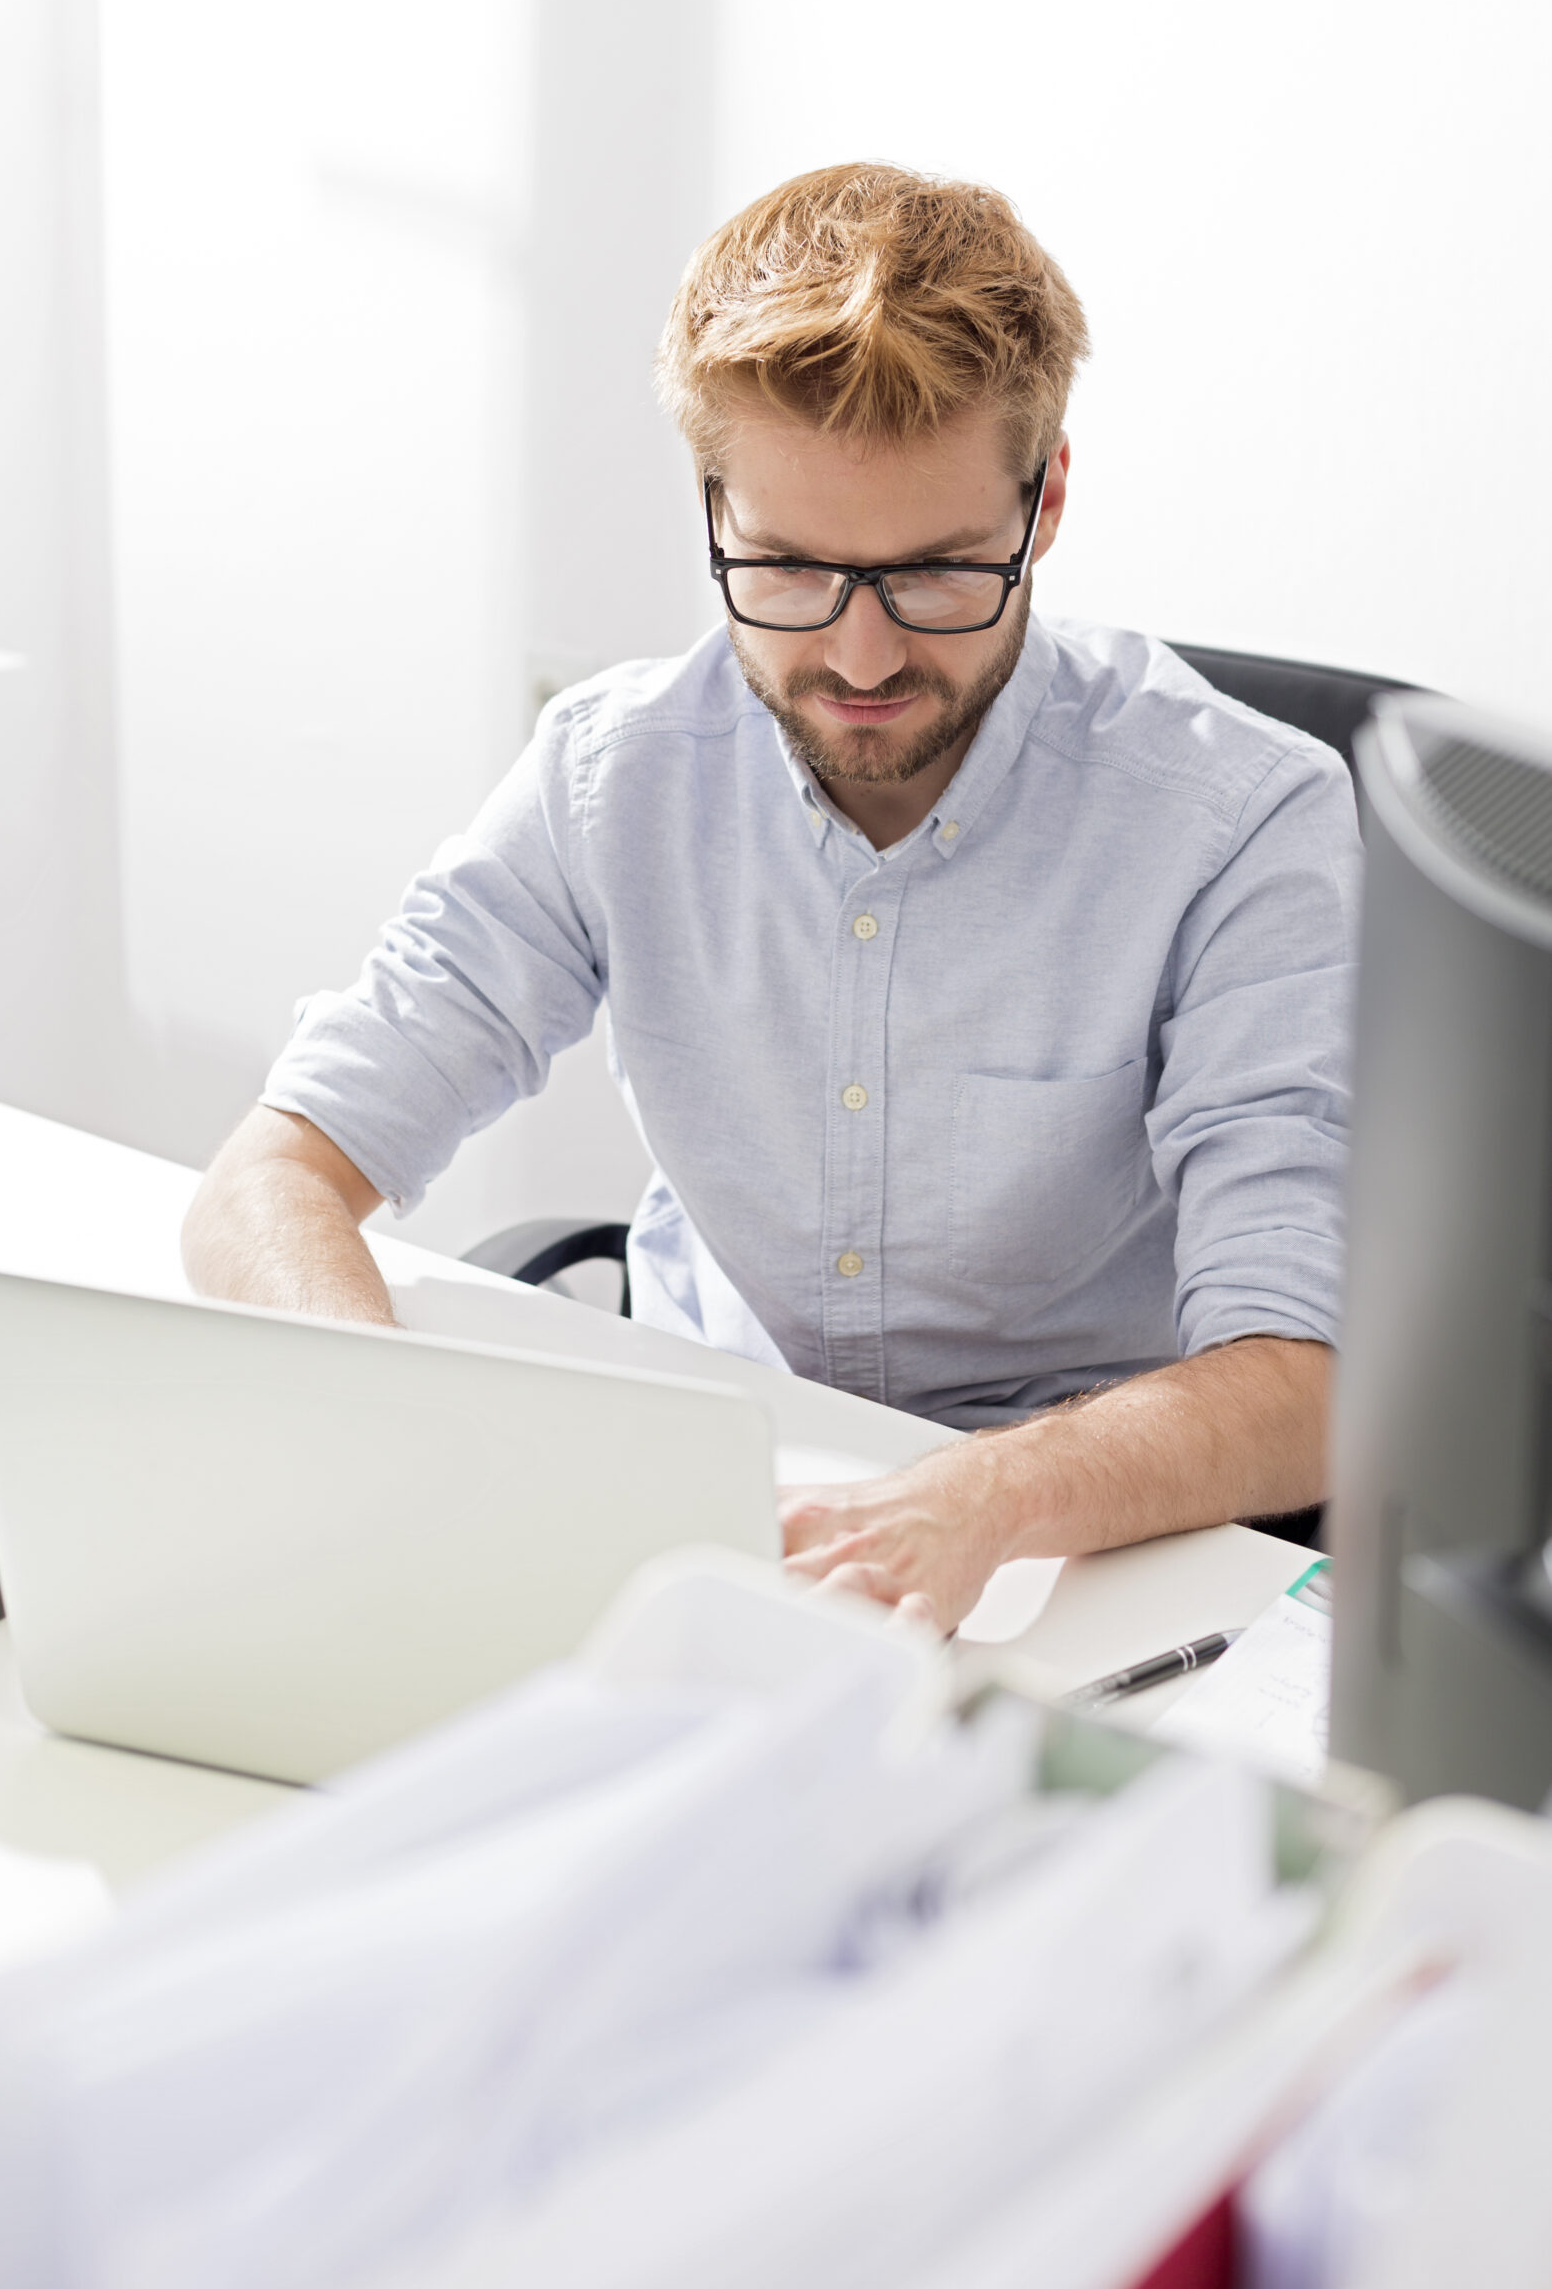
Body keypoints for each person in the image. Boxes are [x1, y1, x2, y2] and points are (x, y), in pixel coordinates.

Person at [183, 163, 1360, 1633]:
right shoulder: (618, 773)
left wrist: (981, 1496)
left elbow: (1304, 1381)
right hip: (701, 1511)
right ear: (713, 505)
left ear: (1045, 498)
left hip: (1077, 1556)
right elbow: (269, 1181)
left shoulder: (1245, 823)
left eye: (935, 575)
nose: (861, 660)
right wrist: (396, 1418)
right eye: (791, 569)